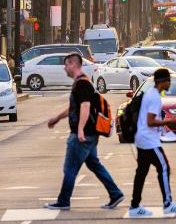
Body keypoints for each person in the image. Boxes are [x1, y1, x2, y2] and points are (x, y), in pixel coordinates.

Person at [44, 53, 124, 211]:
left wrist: (80, 130)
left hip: (83, 135)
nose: (64, 68)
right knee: (94, 164)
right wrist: (57, 118)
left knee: (70, 168)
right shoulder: (81, 84)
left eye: (66, 64)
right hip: (90, 134)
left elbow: (85, 107)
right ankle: (115, 193)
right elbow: (75, 108)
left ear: (73, 65)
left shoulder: (82, 84)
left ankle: (63, 201)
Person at [129, 67, 176, 217]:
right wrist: (170, 120)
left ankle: (134, 206)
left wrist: (164, 125)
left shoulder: (151, 94)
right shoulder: (154, 96)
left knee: (141, 172)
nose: (170, 83)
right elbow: (150, 121)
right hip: (149, 141)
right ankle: (168, 204)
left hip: (142, 138)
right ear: (163, 81)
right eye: (169, 80)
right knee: (164, 168)